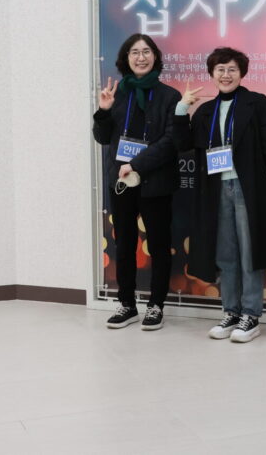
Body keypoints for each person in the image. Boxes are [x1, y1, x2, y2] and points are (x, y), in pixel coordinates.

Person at [175, 47, 266, 343]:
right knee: (224, 254)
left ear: (241, 73)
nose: (226, 75)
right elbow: (183, 144)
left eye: (232, 70)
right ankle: (231, 311)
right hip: (215, 191)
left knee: (250, 252)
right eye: (220, 70)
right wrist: (181, 109)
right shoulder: (205, 111)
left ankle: (250, 314)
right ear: (212, 74)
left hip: (248, 188)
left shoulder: (256, 103)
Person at [92, 34, 180, 330]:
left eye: (146, 52)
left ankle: (156, 306)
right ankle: (127, 304)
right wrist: (103, 111)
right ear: (126, 58)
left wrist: (137, 164)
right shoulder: (117, 94)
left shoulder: (169, 96)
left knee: (159, 244)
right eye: (134, 52)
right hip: (121, 182)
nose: (140, 57)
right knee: (124, 244)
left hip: (155, 181)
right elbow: (103, 138)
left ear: (155, 56)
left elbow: (171, 141)